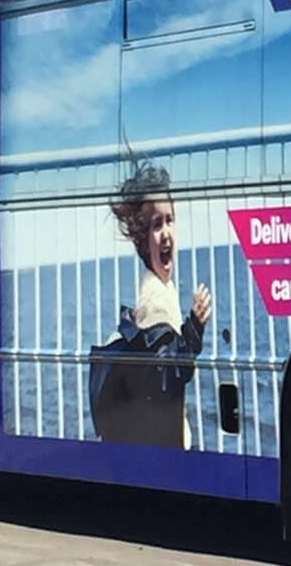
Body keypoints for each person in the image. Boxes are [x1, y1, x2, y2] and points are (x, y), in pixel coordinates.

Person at [88, 163, 214, 447]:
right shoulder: (155, 299)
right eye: (157, 225)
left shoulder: (160, 285)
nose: (167, 232)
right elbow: (165, 376)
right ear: (143, 241)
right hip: (168, 444)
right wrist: (193, 329)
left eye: (170, 220)